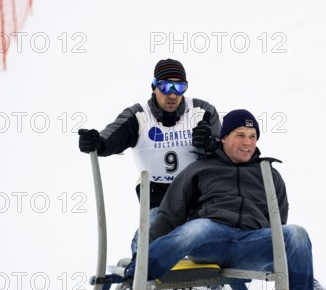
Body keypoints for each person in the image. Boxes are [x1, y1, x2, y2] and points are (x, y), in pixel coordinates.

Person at [122, 109, 315, 290]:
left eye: (252, 136)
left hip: (249, 243)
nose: (247, 142)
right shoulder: (200, 169)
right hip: (210, 239)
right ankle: (135, 278)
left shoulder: (269, 174)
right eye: (240, 135)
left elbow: (279, 223)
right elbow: (169, 216)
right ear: (224, 137)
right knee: (197, 228)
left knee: (296, 233)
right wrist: (143, 250)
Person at [78, 58, 221, 253]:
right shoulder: (139, 116)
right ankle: (142, 259)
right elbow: (112, 137)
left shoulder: (201, 111)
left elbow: (226, 151)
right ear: (154, 86)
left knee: (211, 233)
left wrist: (211, 143)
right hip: (159, 199)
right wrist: (98, 143)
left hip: (198, 196)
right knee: (153, 232)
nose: (172, 95)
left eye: (179, 88)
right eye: (165, 87)